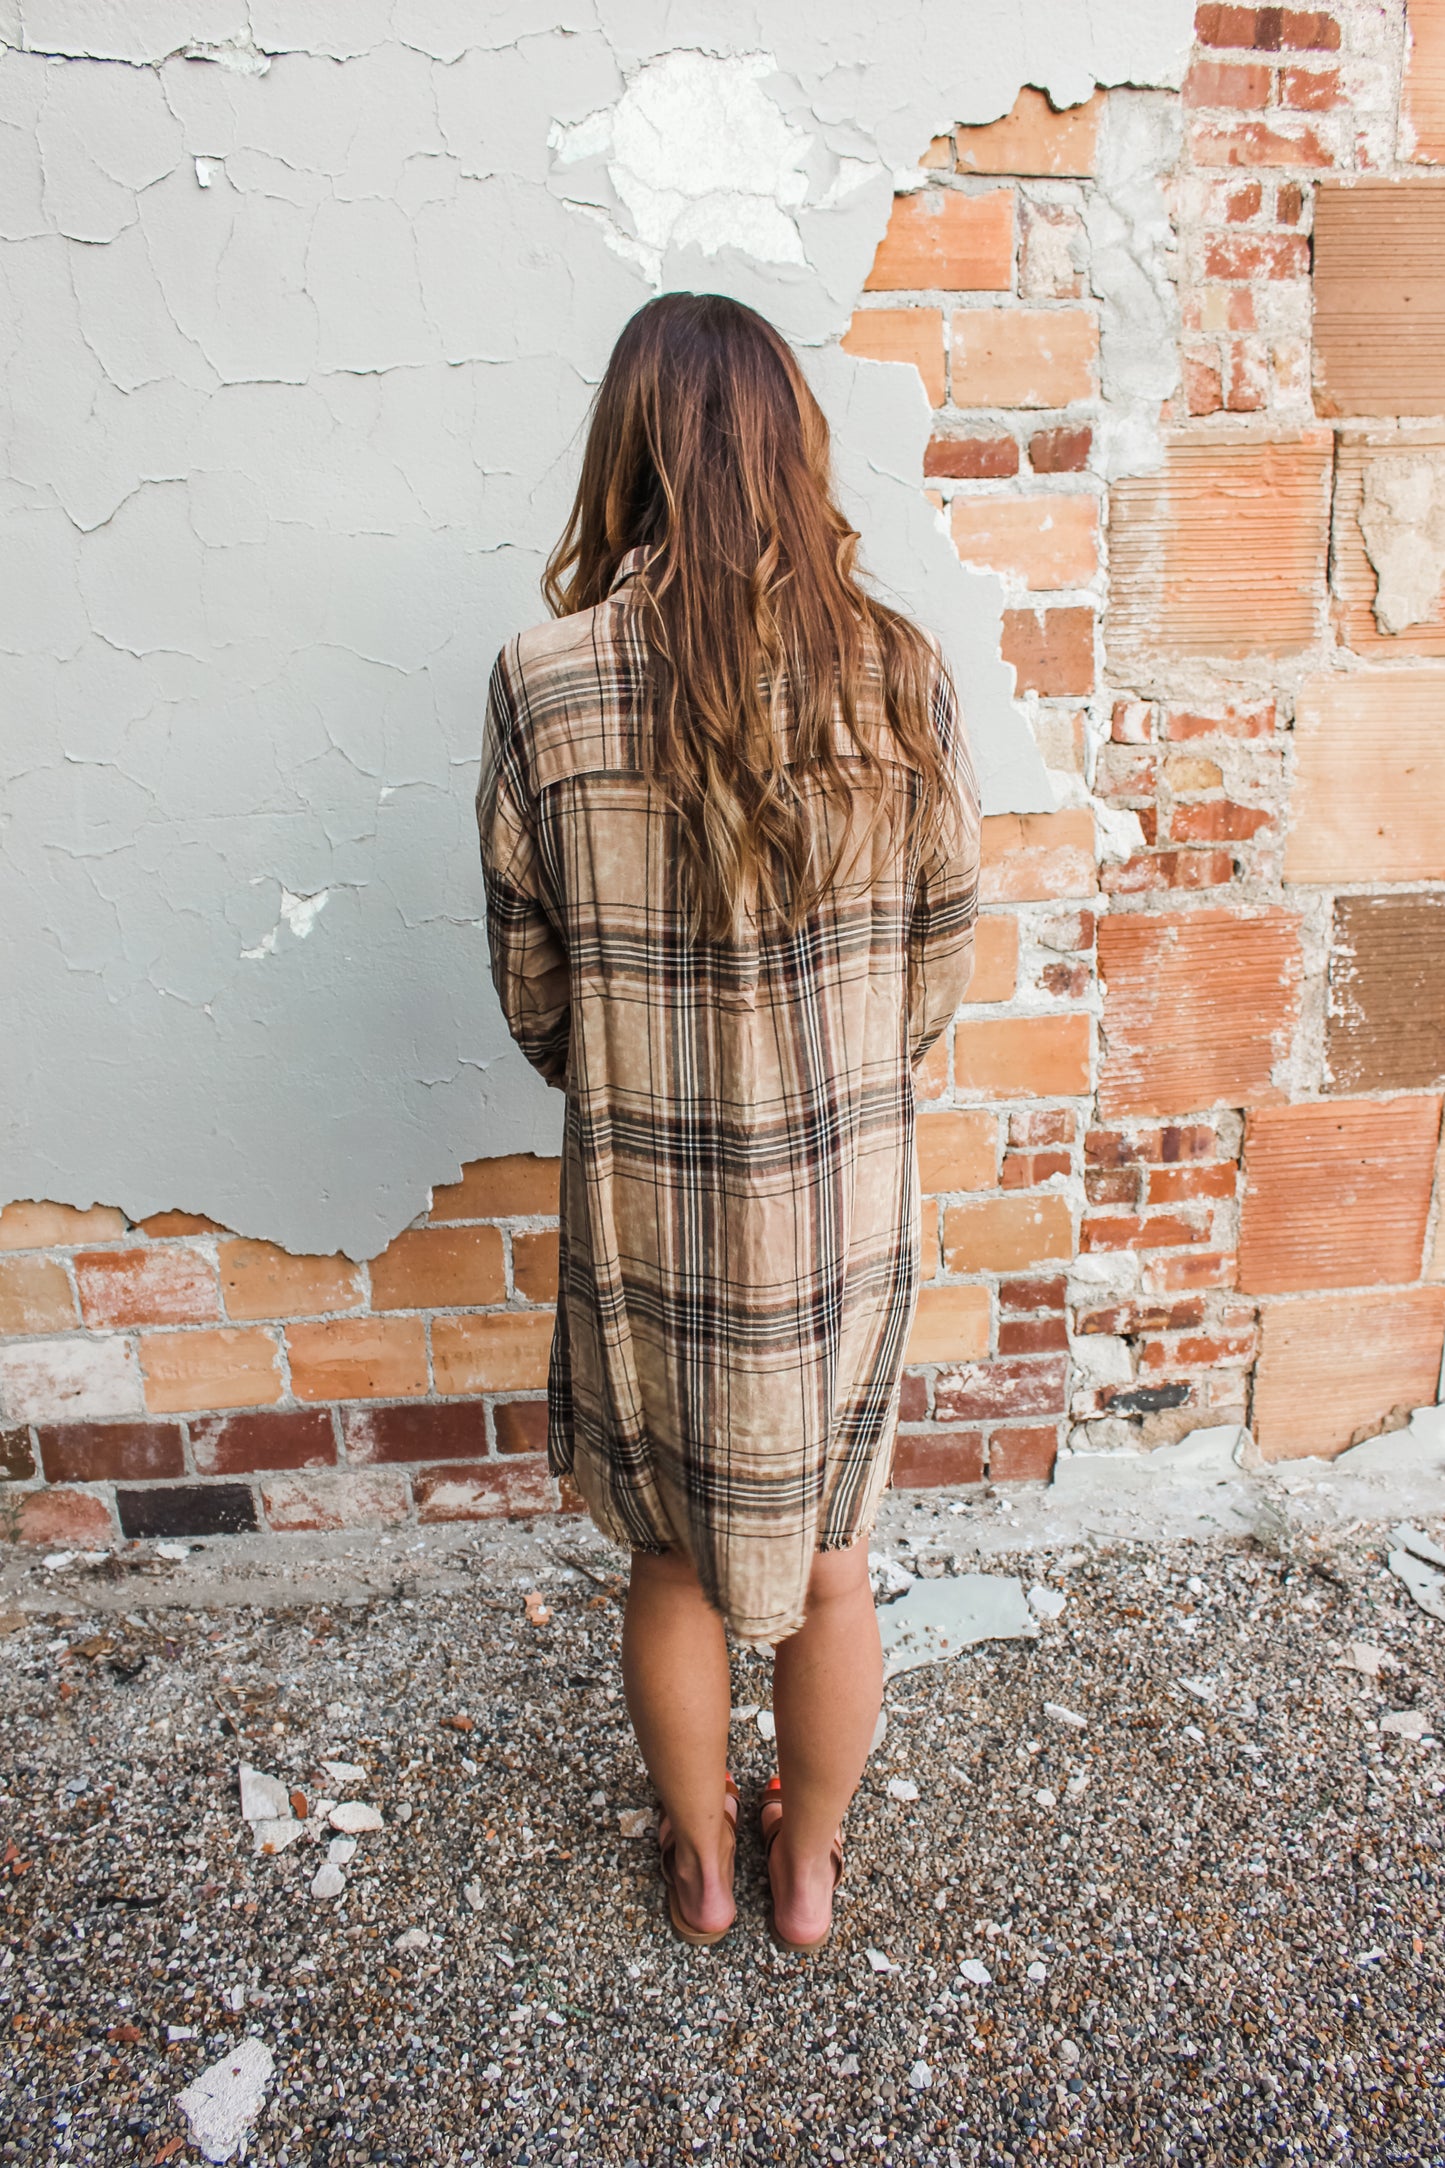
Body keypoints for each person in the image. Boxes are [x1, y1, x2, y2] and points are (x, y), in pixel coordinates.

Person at [477, 292, 980, 1952]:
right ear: (790, 446)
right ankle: (808, 1872)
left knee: (677, 1565)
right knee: (831, 1558)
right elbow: (935, 958)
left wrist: (628, 1073)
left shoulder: (542, 683)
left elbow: (530, 979)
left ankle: (700, 1869)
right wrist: (839, 1084)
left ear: (626, 452)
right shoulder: (893, 670)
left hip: (643, 1204)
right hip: (839, 1200)